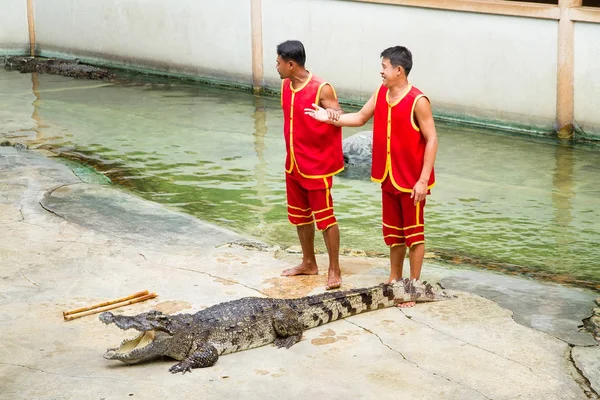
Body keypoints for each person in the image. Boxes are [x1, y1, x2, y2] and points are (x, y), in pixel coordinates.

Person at [305, 46, 438, 307]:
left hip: (412, 180)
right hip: (388, 176)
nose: (381, 71)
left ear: (399, 70)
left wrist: (423, 180)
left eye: (385, 67)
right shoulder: (381, 93)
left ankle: (411, 287)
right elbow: (360, 118)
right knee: (393, 234)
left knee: (414, 235)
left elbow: (432, 139)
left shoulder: (418, 100)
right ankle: (394, 278)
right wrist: (329, 119)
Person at [276, 40, 345, 290]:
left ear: (291, 64)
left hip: (317, 167)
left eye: (279, 62)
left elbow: (338, 115)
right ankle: (308, 262)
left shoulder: (322, 88)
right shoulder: (285, 84)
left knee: (325, 219)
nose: (276, 66)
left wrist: (331, 115)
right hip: (293, 163)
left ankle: (334, 269)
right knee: (300, 217)